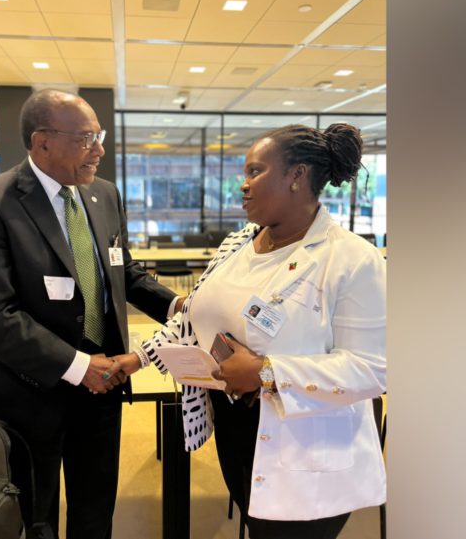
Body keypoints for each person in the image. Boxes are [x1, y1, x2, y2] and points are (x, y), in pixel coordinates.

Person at [118, 123, 386, 538]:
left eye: (255, 172)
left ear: (297, 176)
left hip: (305, 450)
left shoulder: (353, 259)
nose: (242, 185)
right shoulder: (238, 244)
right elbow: (191, 315)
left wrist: (267, 372)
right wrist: (138, 358)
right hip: (237, 432)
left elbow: (374, 367)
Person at [0, 89, 182, 539]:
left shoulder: (104, 194)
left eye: (99, 137)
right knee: (33, 517)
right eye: (86, 139)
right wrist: (79, 367)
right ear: (43, 142)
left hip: (103, 387)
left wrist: (179, 305)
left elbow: (123, 271)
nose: (99, 150)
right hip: (28, 393)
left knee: (95, 510)